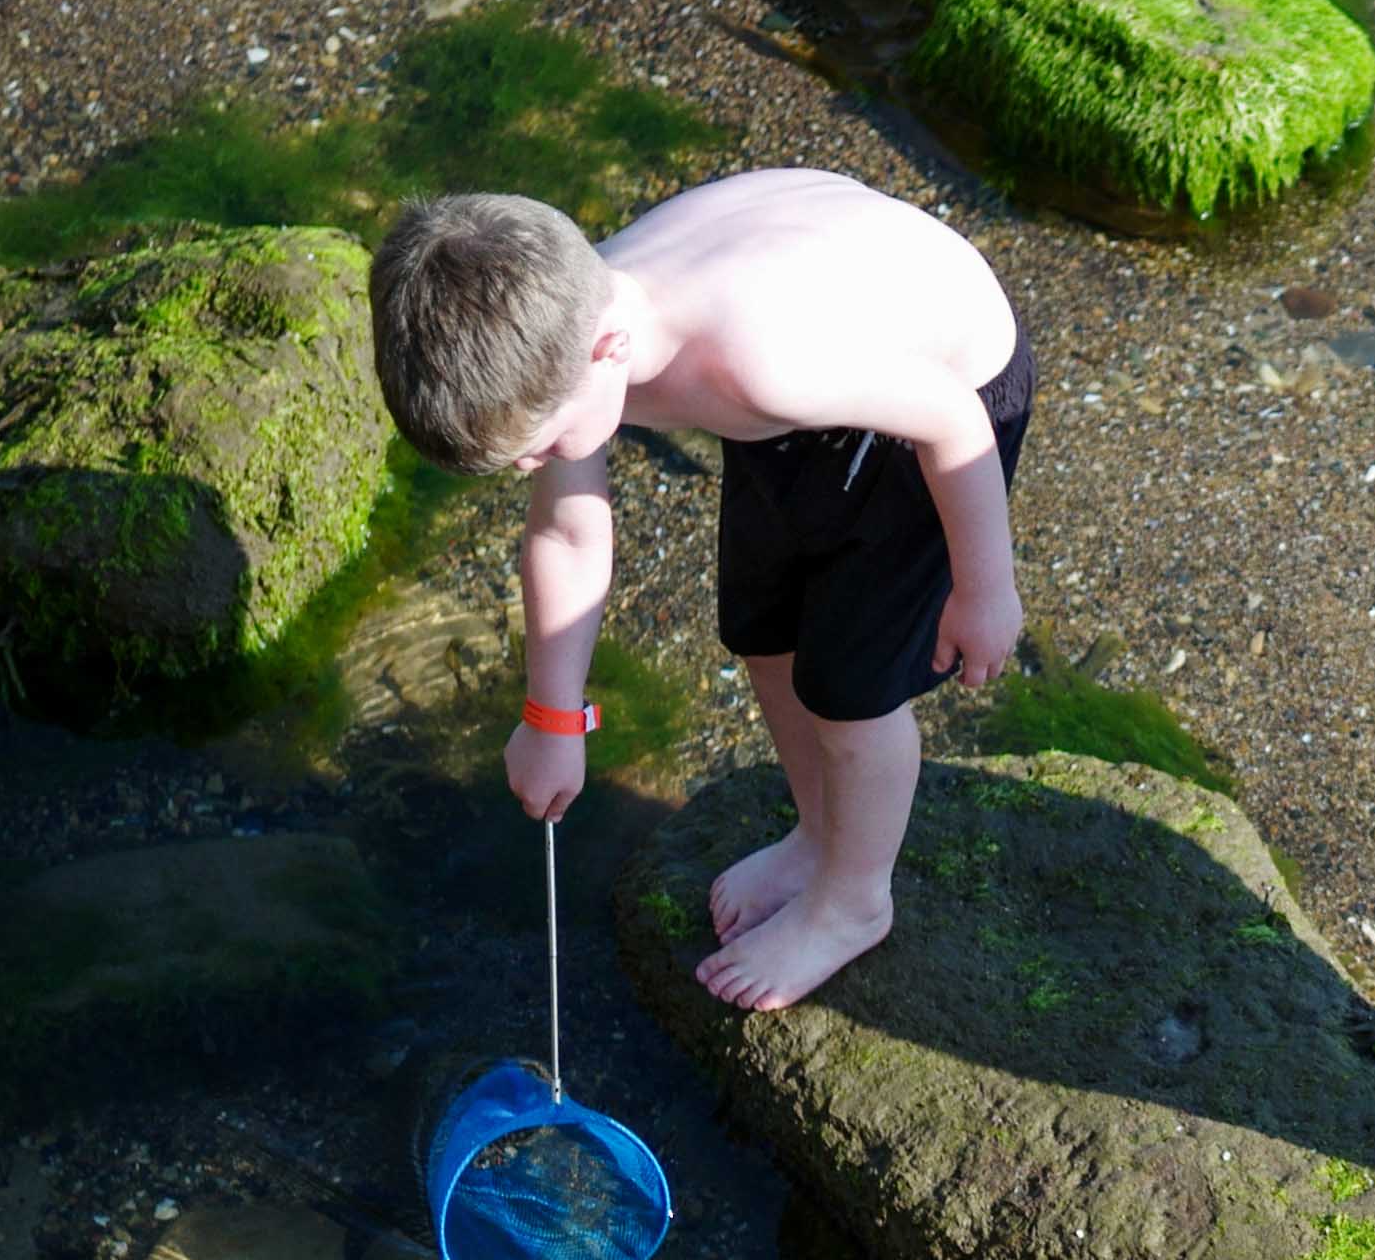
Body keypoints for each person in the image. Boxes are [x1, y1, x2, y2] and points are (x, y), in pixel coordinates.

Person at [367, 169, 1034, 1013]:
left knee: (850, 694)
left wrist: (984, 588)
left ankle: (853, 902)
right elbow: (569, 530)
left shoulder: (756, 361)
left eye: (537, 449)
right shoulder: (567, 317)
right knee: (763, 633)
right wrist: (550, 716)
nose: (535, 468)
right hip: (805, 392)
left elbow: (953, 421)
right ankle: (816, 835)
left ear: (607, 350)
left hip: (932, 399)